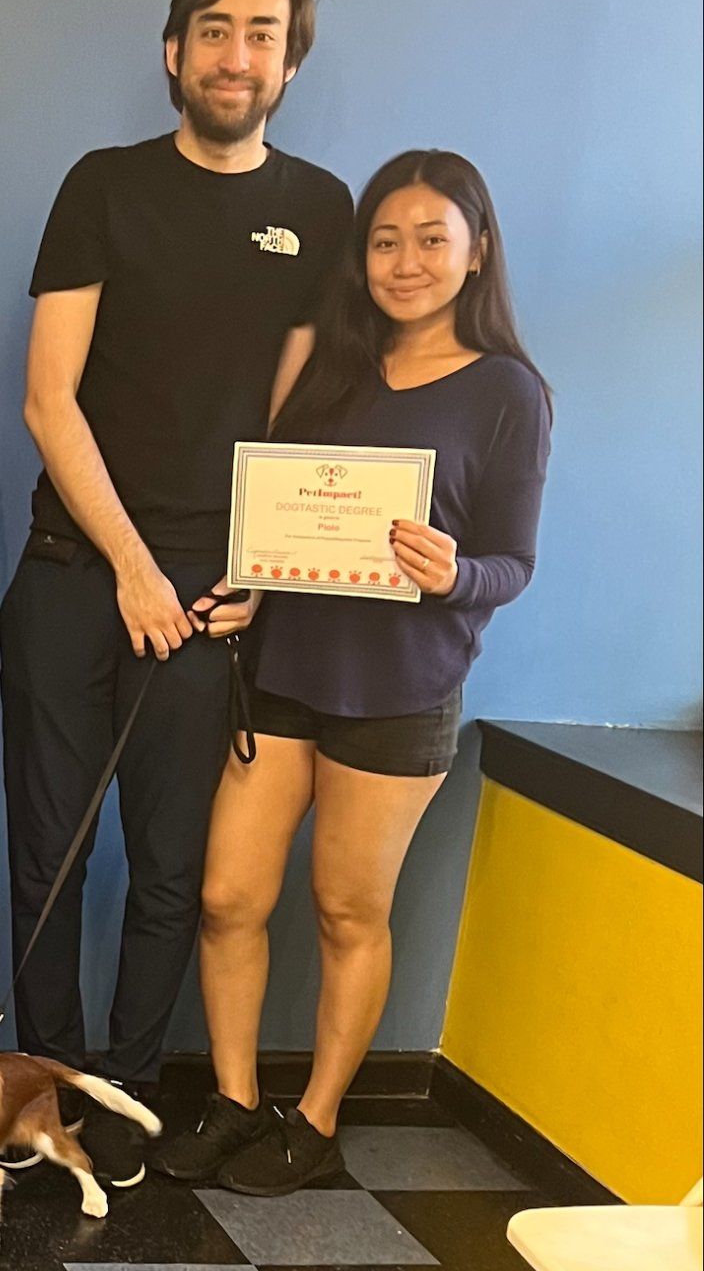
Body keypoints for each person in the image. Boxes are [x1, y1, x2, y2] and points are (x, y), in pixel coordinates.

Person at [0, 0, 353, 1187]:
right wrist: (132, 571)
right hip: (72, 572)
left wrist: (257, 569)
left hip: (214, 603)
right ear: (173, 50)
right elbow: (51, 401)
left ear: (291, 64)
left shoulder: (319, 210)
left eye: (262, 33)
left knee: (170, 868)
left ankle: (130, 1097)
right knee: (50, 852)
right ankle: (42, 1091)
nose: (235, 52)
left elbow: (298, 421)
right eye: (213, 29)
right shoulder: (102, 185)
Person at [157, 151, 551, 1194]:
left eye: (431, 239)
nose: (406, 261)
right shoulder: (331, 369)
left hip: (403, 696)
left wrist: (456, 572)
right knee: (230, 896)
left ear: (476, 254)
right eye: (385, 240)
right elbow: (283, 525)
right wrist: (252, 590)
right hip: (284, 676)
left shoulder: (509, 393)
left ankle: (318, 1117)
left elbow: (514, 562)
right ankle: (237, 1100)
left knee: (345, 912)